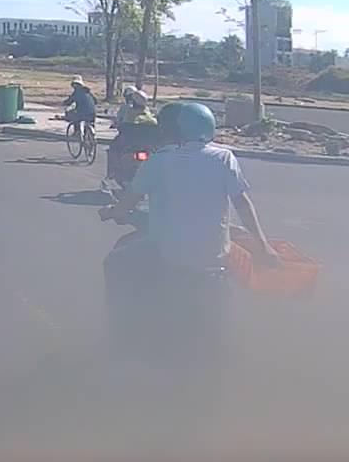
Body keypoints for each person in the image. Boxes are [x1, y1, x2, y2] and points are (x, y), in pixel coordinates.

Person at [100, 102, 280, 364]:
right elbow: (242, 204)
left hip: (167, 255)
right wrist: (264, 246)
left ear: (173, 131)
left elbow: (127, 204)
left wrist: (112, 212)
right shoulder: (224, 158)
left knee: (114, 261)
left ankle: (122, 331)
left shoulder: (158, 161)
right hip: (214, 258)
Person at [107, 88, 159, 183]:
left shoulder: (129, 112)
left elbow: (123, 125)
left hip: (130, 144)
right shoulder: (149, 114)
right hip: (145, 146)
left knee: (113, 148)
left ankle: (111, 173)